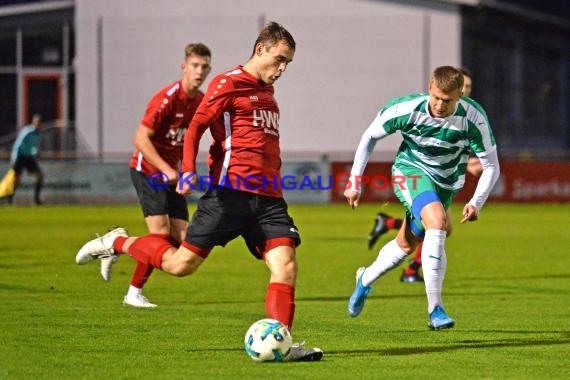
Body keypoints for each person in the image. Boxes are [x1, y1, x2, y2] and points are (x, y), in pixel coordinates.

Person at [75, 22, 323, 361]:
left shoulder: (267, 91)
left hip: (269, 199)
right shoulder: (227, 82)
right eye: (279, 59)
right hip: (229, 193)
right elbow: (196, 127)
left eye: (288, 64)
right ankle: (117, 241)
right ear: (260, 49)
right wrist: (188, 169)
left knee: (286, 265)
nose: (281, 69)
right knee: (180, 264)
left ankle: (282, 343)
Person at [345, 66, 499, 329]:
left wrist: (476, 202)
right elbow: (369, 136)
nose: (439, 105)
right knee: (438, 223)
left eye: (447, 100)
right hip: (411, 172)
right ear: (430, 87)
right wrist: (355, 180)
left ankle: (365, 279)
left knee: (406, 245)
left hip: (447, 183)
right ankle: (435, 309)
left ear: (460, 95)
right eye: (436, 97)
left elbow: (492, 166)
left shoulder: (474, 118)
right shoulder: (406, 109)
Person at [99, 43, 213, 308]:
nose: (199, 71)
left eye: (204, 67)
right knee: (160, 235)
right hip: (148, 170)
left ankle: (117, 247)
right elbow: (140, 138)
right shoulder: (168, 98)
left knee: (181, 241)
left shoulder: (200, 101)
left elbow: (189, 142)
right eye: (195, 65)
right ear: (184, 67)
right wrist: (167, 170)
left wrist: (186, 173)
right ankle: (128, 278)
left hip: (171, 174)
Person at [367, 68, 483, 283]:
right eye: (464, 86)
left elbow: (452, 149)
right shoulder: (430, 109)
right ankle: (414, 271)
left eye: (468, 87)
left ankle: (389, 229)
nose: (466, 90)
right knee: (439, 225)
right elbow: (434, 147)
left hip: (445, 181)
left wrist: (468, 163)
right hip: (422, 176)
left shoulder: (468, 115)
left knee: (430, 228)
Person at [9, 113, 44, 205]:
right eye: (37, 122)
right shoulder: (26, 132)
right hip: (20, 157)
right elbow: (17, 145)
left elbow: (33, 146)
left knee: (39, 176)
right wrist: (13, 159)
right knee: (17, 179)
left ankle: (37, 199)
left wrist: (35, 152)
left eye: (39, 122)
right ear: (33, 122)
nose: (38, 124)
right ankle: (10, 198)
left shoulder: (39, 135)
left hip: (28, 157)